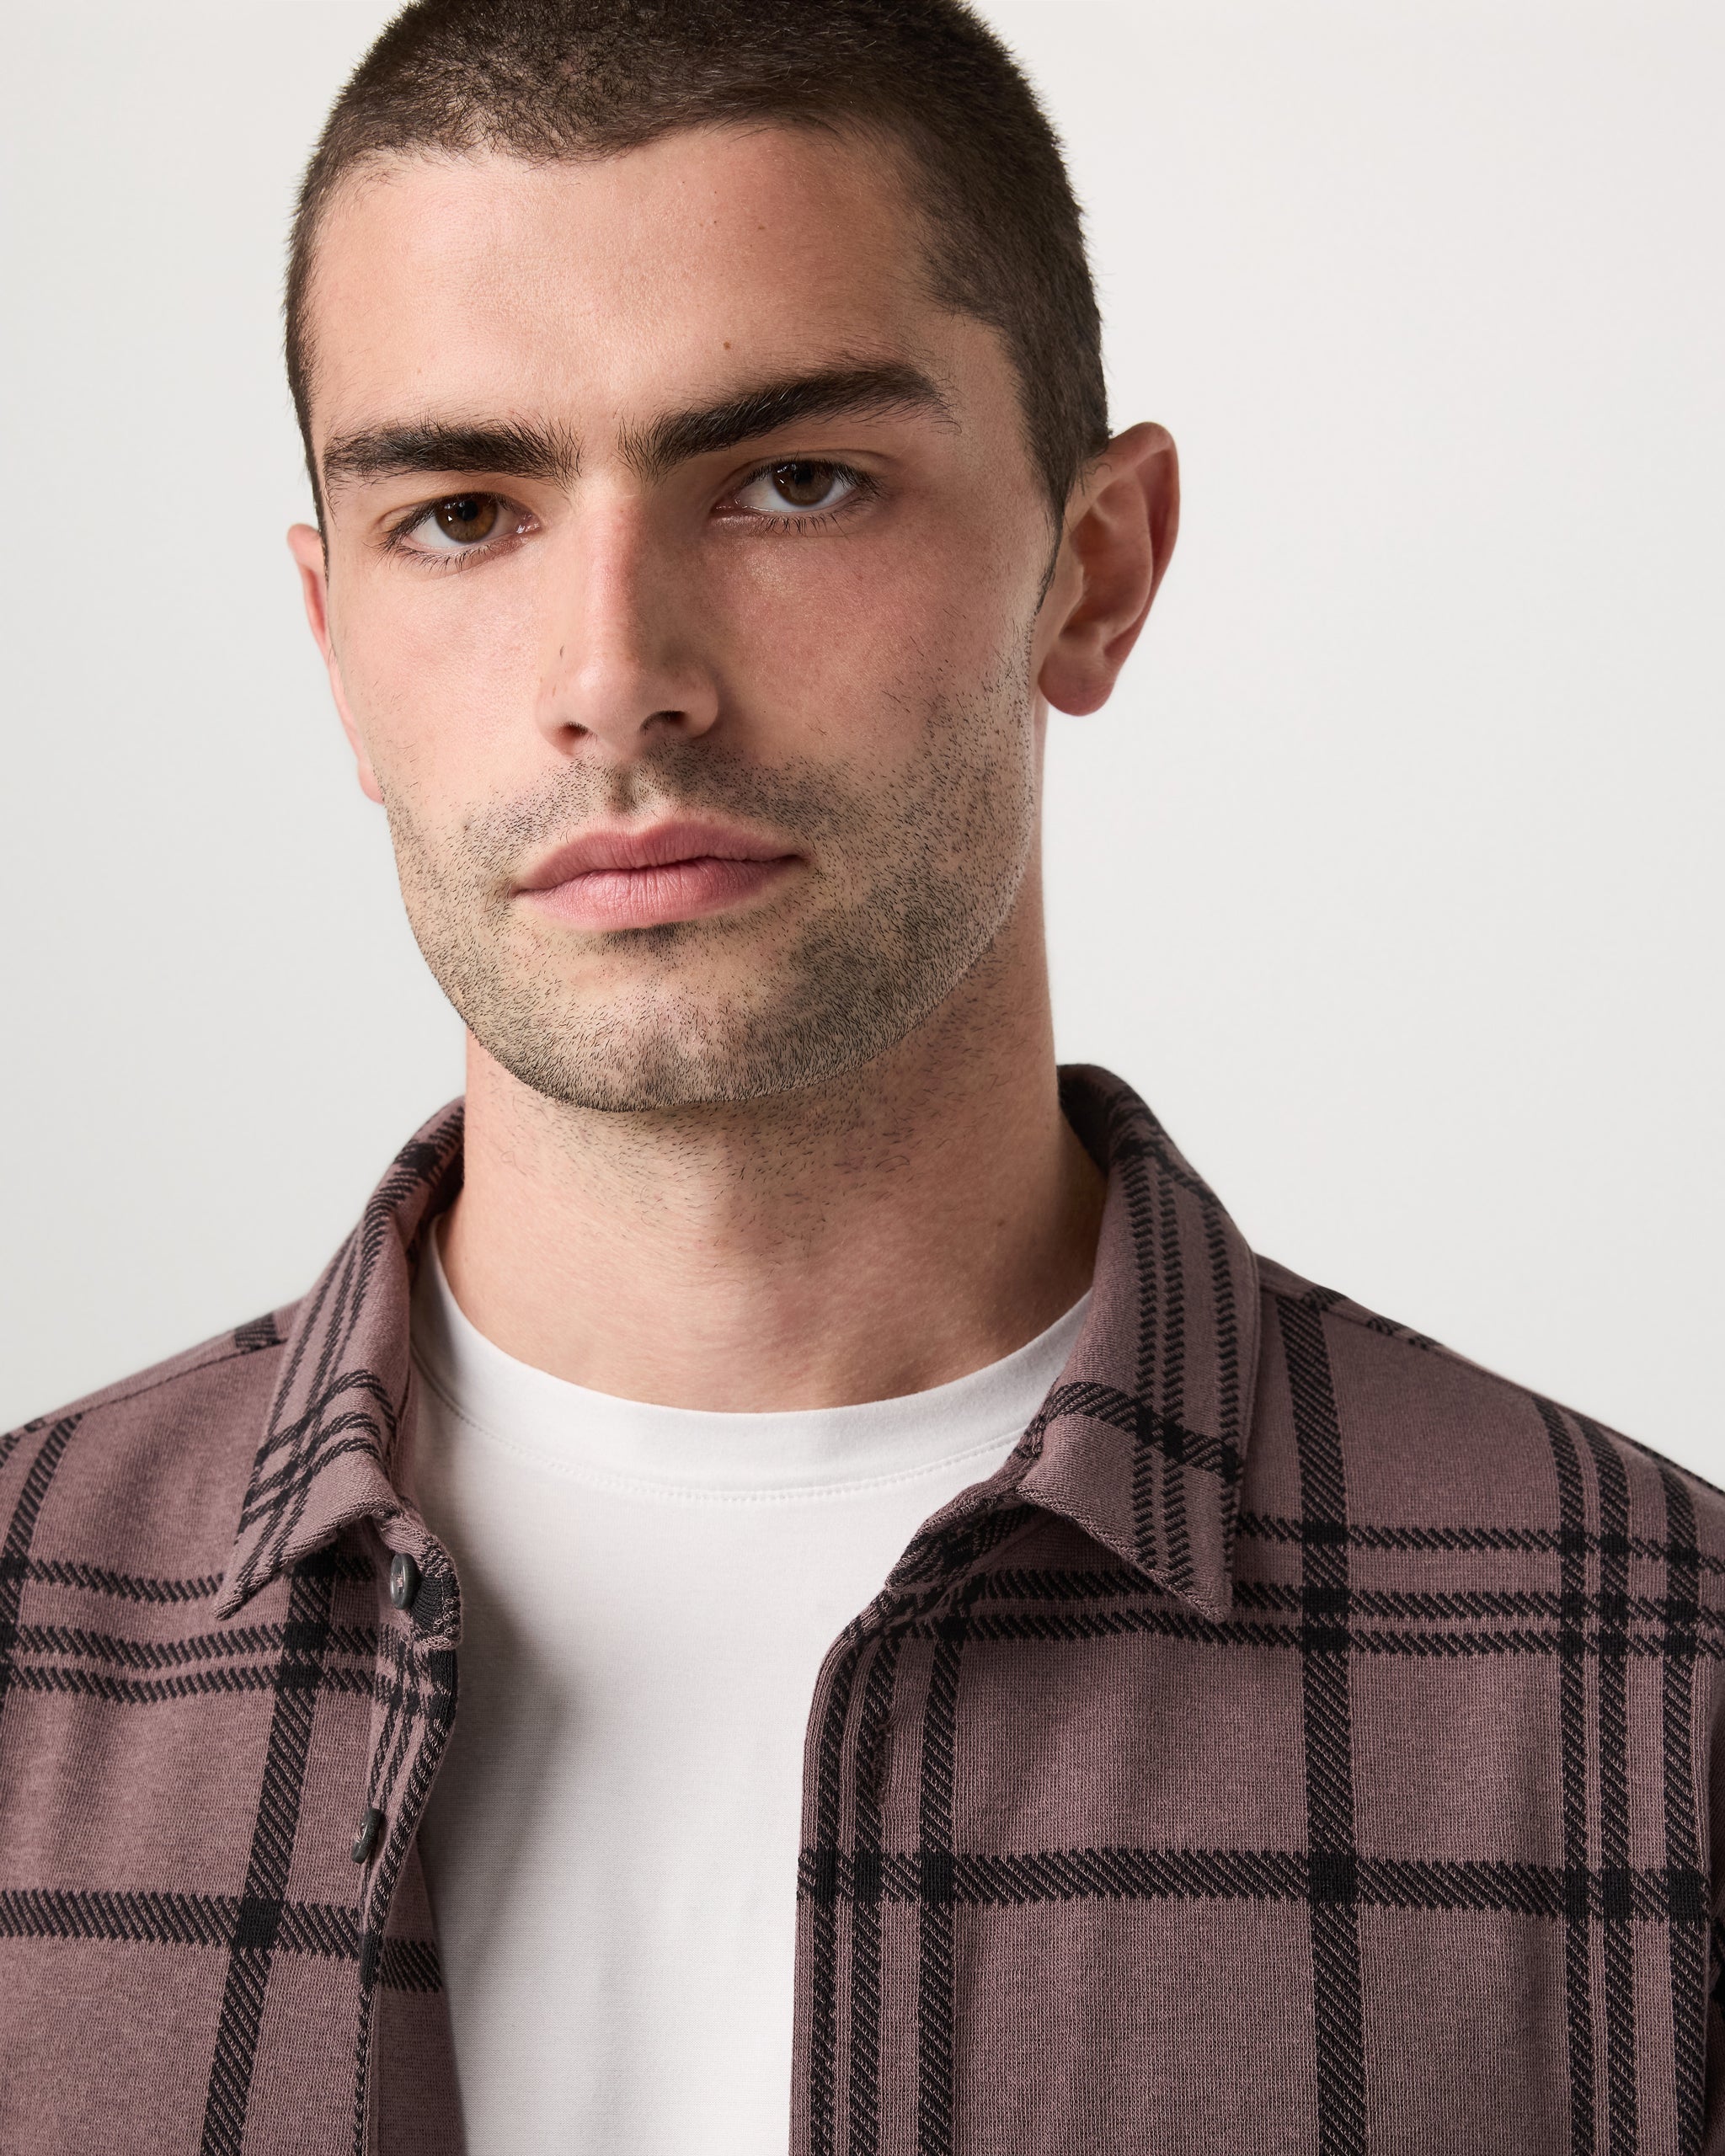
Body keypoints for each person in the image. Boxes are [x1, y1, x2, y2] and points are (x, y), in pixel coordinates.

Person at [2, 0, 1719, 2150]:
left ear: (1093, 569)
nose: (617, 676)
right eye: (460, 511)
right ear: (332, 639)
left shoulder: (1656, 1702)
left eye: (793, 481)